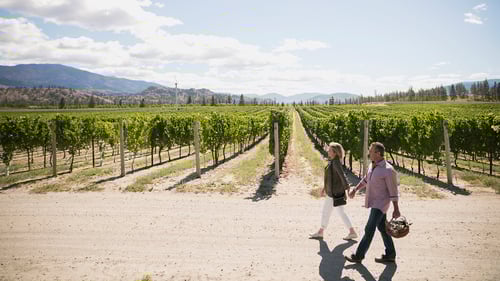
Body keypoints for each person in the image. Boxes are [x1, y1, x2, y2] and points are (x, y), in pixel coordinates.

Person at [344, 142, 400, 264]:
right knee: (383, 228)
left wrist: (396, 208)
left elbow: (393, 190)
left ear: (378, 153)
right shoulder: (372, 165)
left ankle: (359, 255)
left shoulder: (388, 170)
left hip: (380, 205)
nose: (368, 152)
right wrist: (355, 189)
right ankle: (390, 254)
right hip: (374, 202)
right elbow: (366, 179)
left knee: (369, 229)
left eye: (370, 150)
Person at [309, 142, 358, 240]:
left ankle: (351, 231)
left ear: (335, 152)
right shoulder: (332, 161)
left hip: (334, 193)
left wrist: (348, 188)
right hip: (331, 192)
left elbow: (342, 175)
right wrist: (324, 189)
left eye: (330, 150)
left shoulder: (335, 162)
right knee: (332, 212)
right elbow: (329, 177)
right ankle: (322, 231)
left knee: (333, 212)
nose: (328, 151)